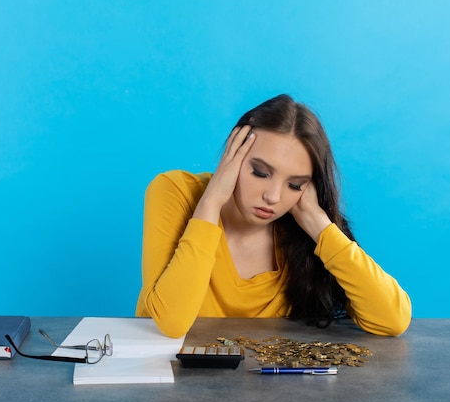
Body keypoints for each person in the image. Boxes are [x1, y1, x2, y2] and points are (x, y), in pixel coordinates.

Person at [135, 94, 412, 338]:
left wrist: (318, 225)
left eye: (294, 185)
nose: (273, 197)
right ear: (233, 156)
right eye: (260, 172)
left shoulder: (300, 229)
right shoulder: (175, 192)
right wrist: (211, 201)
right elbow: (172, 322)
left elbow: (392, 320)